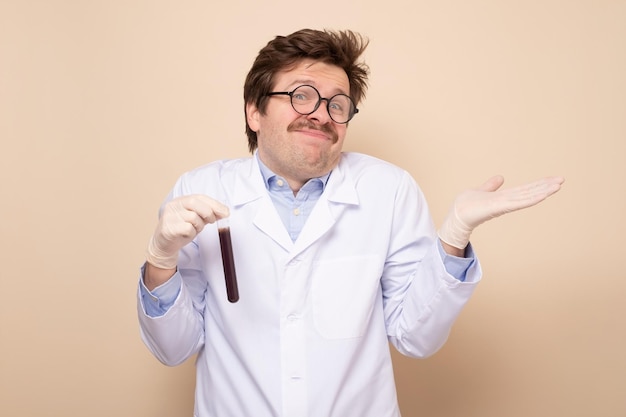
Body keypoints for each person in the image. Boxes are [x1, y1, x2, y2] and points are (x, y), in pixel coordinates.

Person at [137, 28, 564, 417]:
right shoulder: (201, 188)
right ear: (255, 112)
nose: (322, 114)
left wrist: (453, 239)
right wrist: (161, 260)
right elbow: (174, 349)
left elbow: (416, 338)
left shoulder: (389, 190)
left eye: (337, 104)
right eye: (302, 95)